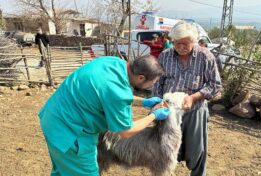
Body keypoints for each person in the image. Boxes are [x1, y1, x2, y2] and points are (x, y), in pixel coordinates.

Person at [39, 55, 170, 175]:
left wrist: (143, 102)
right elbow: (125, 131)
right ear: (141, 77)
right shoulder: (118, 92)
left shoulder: (112, 62)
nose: (151, 86)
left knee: (63, 171)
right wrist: (153, 115)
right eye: (152, 83)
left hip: (52, 117)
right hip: (70, 134)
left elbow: (106, 94)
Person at [152, 21, 222, 176]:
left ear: (194, 42)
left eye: (185, 43)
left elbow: (215, 84)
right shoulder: (165, 55)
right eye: (177, 43)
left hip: (194, 110)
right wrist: (157, 102)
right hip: (168, 111)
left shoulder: (205, 56)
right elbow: (158, 82)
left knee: (196, 149)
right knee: (166, 147)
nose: (181, 47)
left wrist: (193, 98)